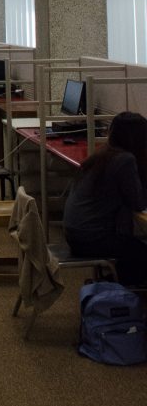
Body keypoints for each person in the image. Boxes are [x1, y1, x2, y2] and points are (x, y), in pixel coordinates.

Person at [63, 111, 147, 286]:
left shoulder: (103, 155)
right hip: (93, 238)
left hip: (75, 233)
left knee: (135, 248)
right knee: (140, 251)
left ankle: (109, 283)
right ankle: (112, 286)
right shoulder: (125, 160)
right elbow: (138, 203)